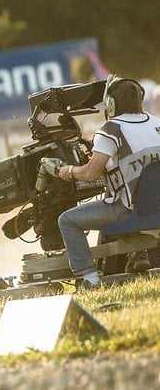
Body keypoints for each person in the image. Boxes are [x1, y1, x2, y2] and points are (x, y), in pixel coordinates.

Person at [55, 77, 160, 288]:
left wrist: (67, 171)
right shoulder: (157, 122)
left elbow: (90, 174)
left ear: (110, 103)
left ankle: (90, 279)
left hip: (129, 209)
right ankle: (137, 251)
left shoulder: (111, 130)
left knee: (67, 220)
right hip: (156, 207)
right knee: (117, 191)